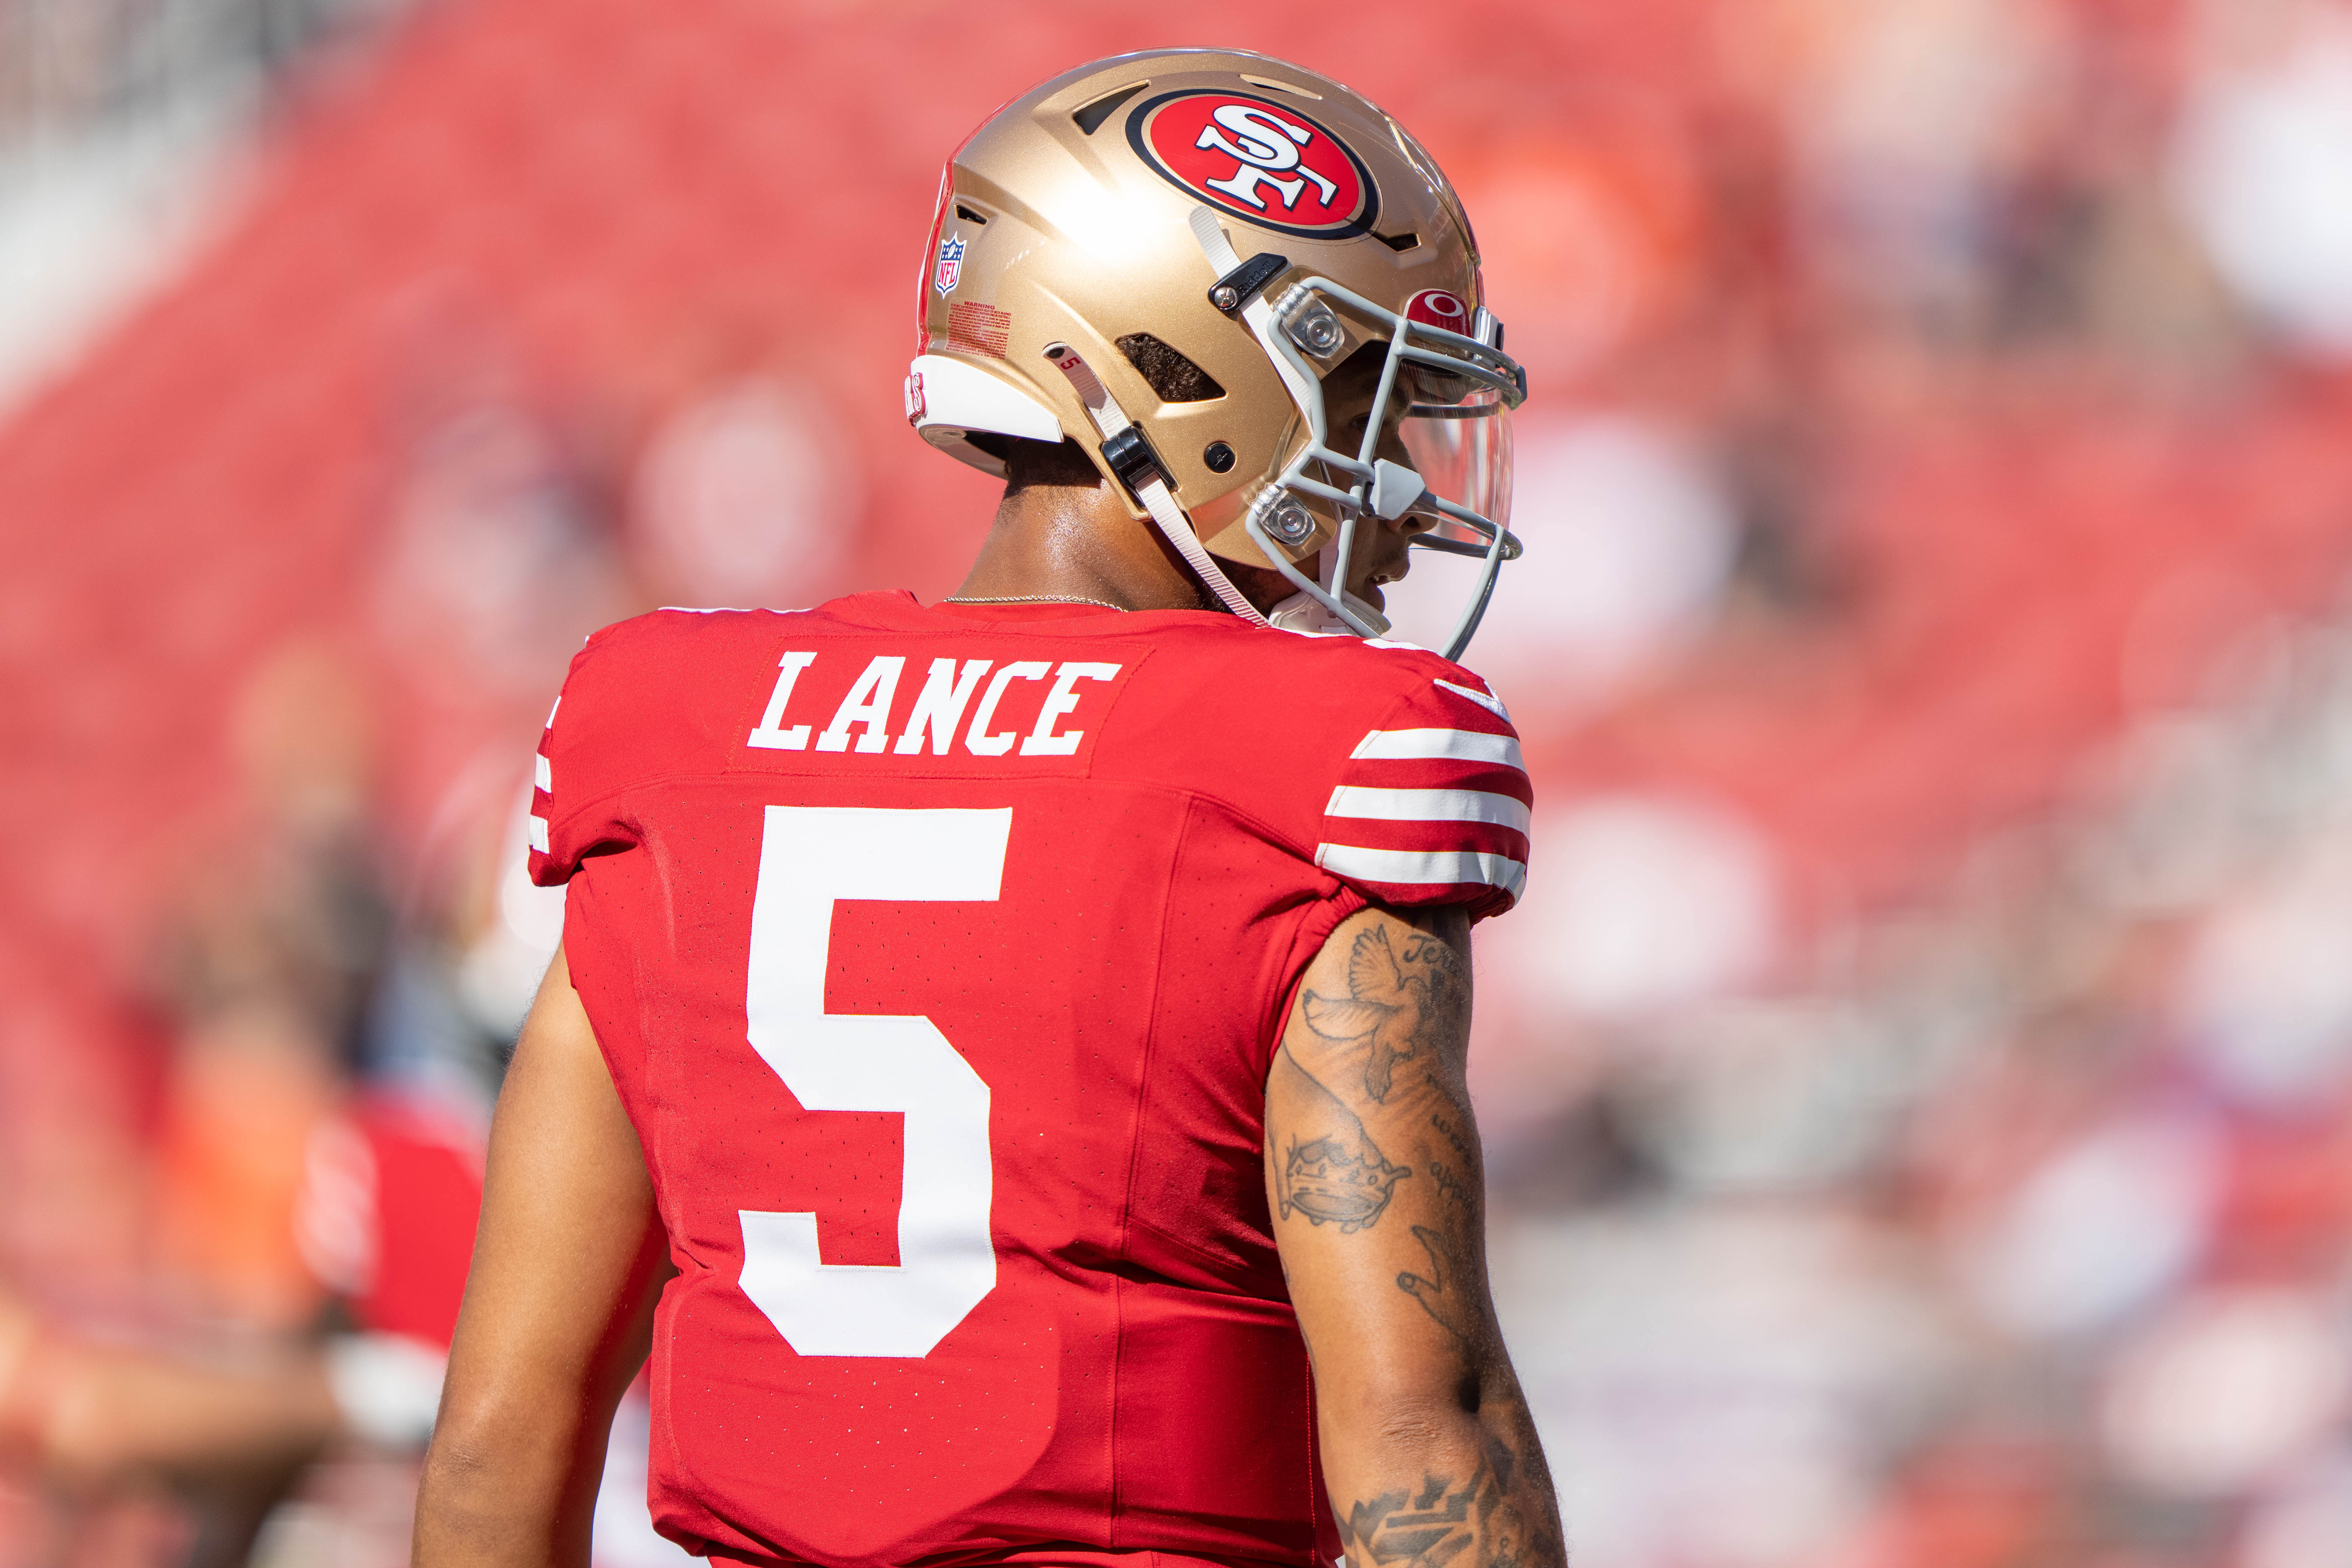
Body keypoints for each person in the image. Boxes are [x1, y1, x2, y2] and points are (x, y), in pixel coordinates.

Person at [415, 47, 1562, 1568]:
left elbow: (506, 1430)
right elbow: (1426, 1426)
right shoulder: (1321, 759)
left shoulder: (671, 736)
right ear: (1159, 361)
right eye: (1355, 387)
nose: (1401, 477)